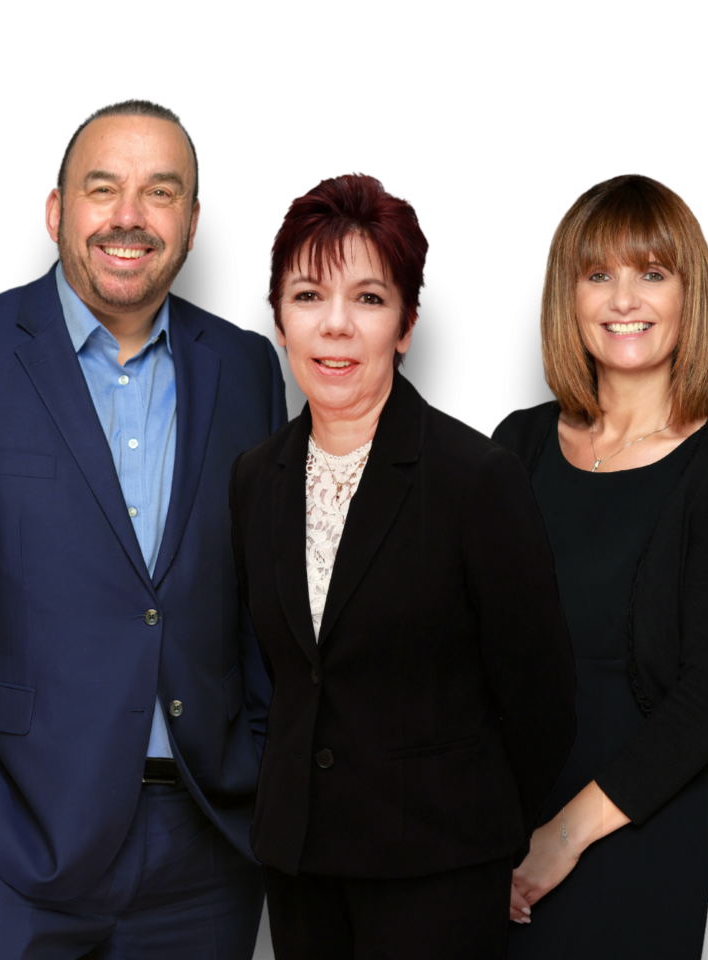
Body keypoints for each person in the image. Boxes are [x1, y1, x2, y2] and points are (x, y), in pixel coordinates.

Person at [0, 98, 282, 960]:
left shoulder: (248, 368)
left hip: (208, 852)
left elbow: (266, 598)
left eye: (161, 192)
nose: (129, 216)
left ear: (194, 224)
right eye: (102, 188)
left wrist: (262, 764)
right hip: (9, 849)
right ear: (55, 211)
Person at [228, 171, 575, 960]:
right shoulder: (255, 478)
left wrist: (482, 826)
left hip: (438, 867)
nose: (336, 325)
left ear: (407, 325)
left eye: (369, 298)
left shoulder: (475, 476)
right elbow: (283, 675)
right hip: (299, 866)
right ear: (278, 321)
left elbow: (542, 698)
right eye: (308, 296)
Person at [488, 174, 708, 957]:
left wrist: (562, 837)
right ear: (568, 296)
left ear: (690, 294)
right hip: (495, 832)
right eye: (598, 274)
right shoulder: (516, 444)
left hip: (632, 834)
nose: (624, 300)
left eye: (652, 273)